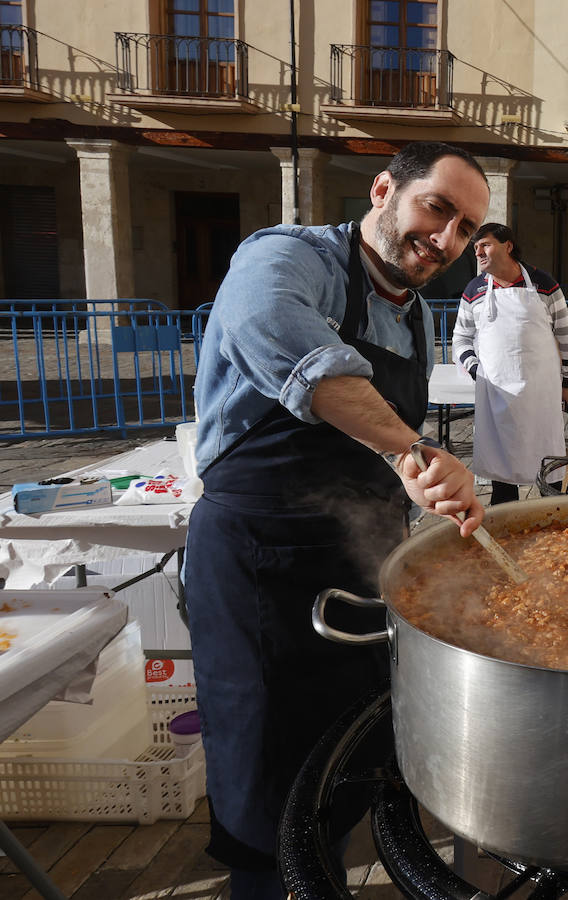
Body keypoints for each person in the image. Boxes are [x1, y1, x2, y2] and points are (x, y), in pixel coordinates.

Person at [185, 141, 491, 898]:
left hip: (360, 563)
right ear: (384, 189)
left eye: (466, 229)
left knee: (350, 757)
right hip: (261, 561)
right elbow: (289, 346)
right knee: (265, 778)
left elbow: (387, 447)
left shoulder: (416, 314)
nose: (446, 239)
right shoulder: (285, 258)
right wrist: (415, 449)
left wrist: (420, 481)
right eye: (436, 208)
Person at [451, 222, 568, 504]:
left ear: (507, 246)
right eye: (475, 248)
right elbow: (460, 338)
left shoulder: (543, 283)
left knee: (549, 470)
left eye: (485, 244)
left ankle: (554, 521)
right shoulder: (473, 289)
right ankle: (504, 525)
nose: (478, 252)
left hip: (541, 396)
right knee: (502, 472)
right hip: (495, 395)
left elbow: (567, 336)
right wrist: (476, 370)